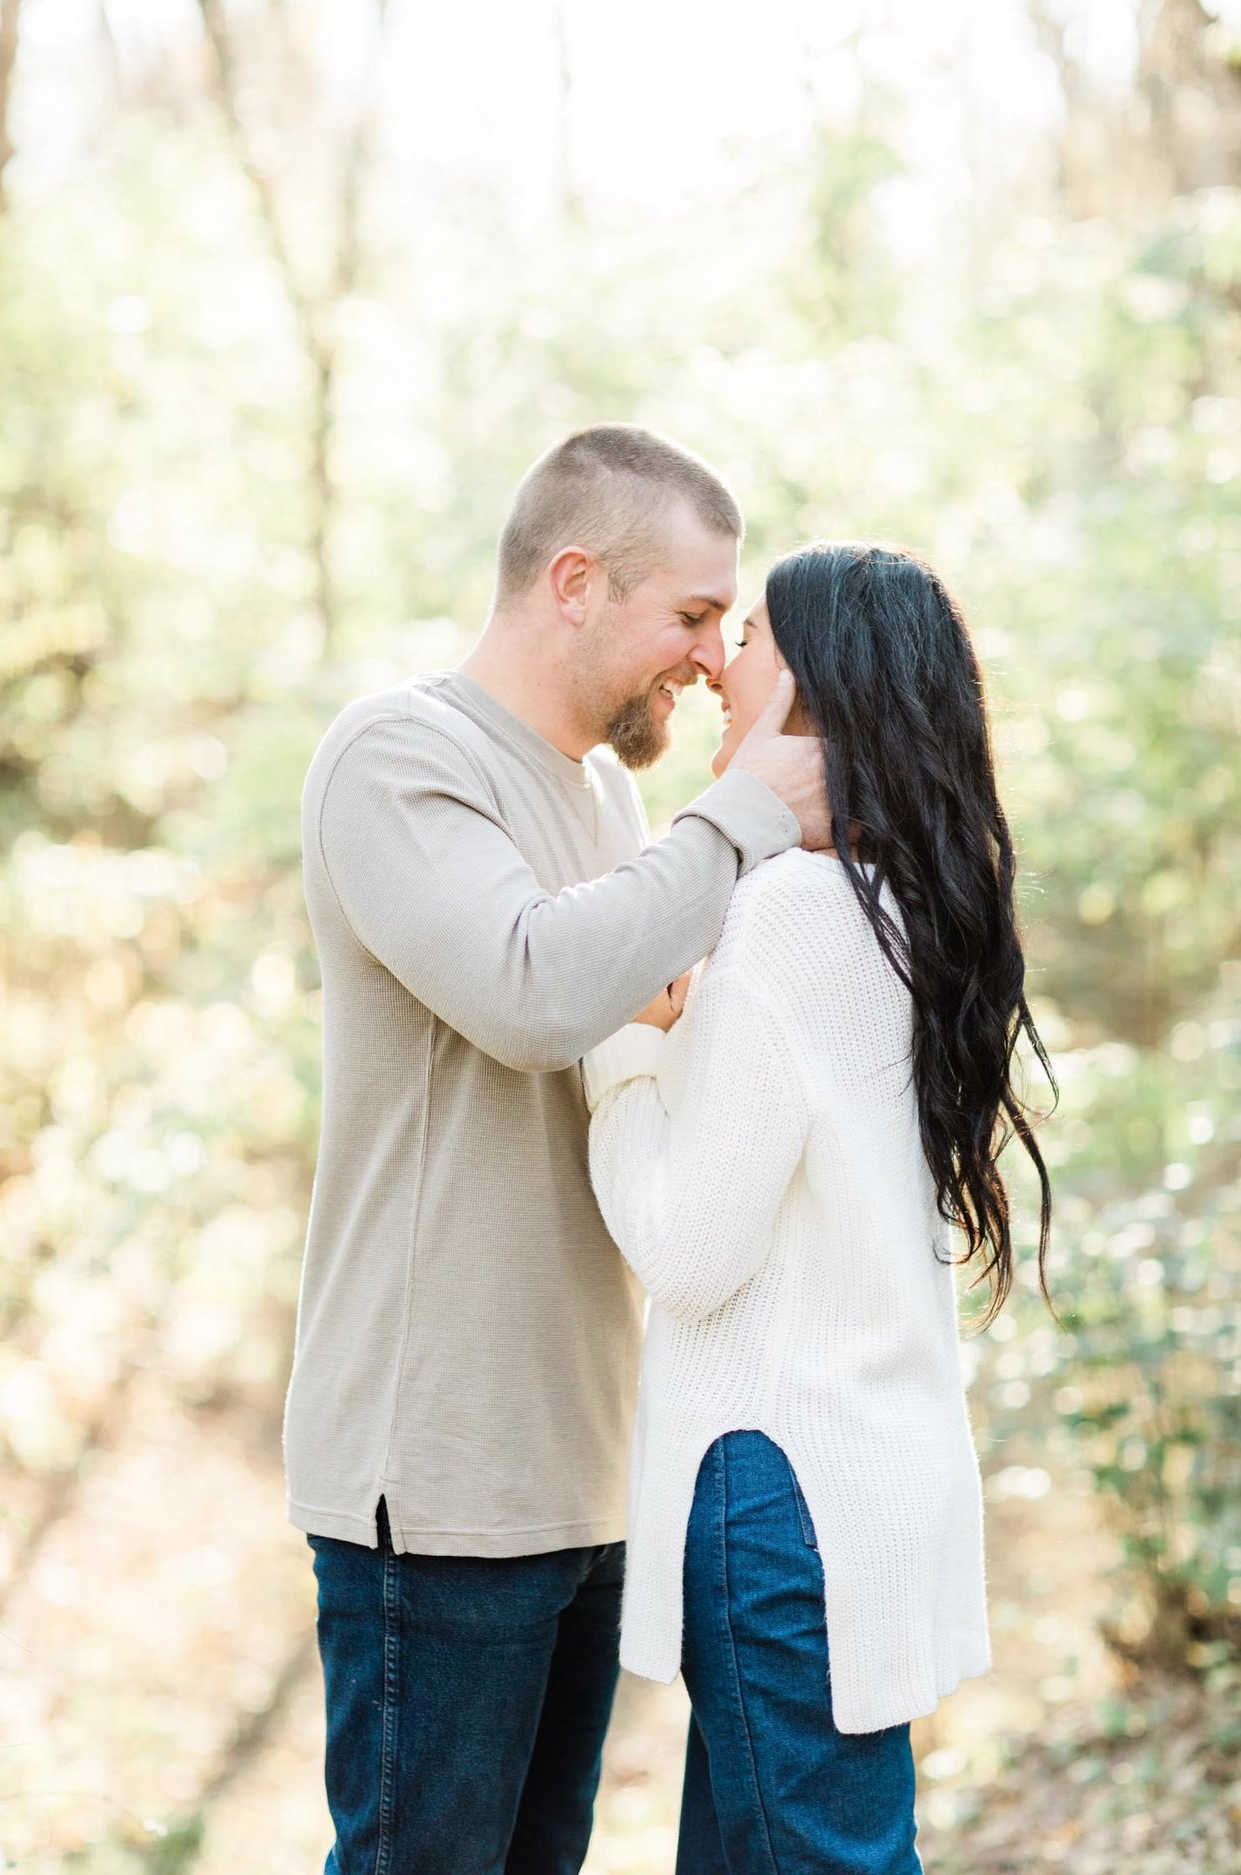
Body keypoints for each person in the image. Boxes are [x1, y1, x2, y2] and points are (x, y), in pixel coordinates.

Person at [288, 424, 831, 1875]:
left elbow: (643, 1006)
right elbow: (537, 992)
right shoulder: (398, 756)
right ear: (577, 581)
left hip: (585, 1465)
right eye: (695, 615)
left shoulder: (606, 798)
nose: (718, 660)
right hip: (440, 1473)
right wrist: (745, 817)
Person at [584, 543, 1050, 1873]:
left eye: (754, 642)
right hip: (859, 1477)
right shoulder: (911, 908)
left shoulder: (792, 911)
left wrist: (618, 1049)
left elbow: (685, 1250)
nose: (720, 664)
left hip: (781, 1488)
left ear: (820, 695)